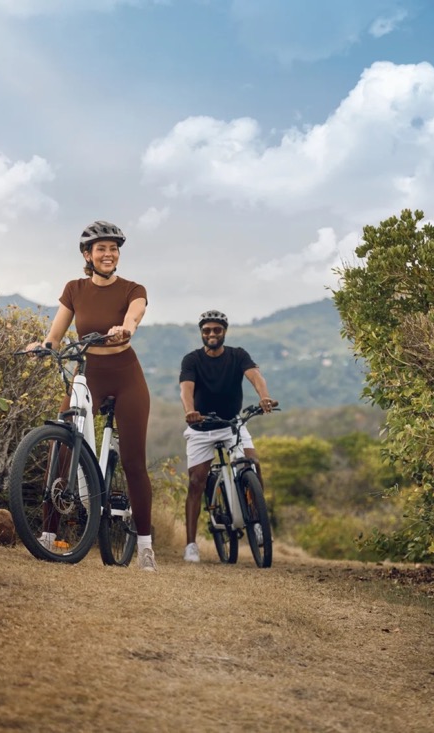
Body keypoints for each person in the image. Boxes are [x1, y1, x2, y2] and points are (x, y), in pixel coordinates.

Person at [27, 220, 157, 571]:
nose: (108, 254)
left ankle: (145, 546)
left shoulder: (133, 288)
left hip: (126, 374)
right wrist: (43, 346)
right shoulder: (74, 289)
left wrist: (125, 329)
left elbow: (135, 314)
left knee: (133, 461)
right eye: (101, 249)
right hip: (88, 373)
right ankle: (49, 534)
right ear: (88, 254)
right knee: (61, 446)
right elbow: (56, 335)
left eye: (113, 249)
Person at [179, 309, 276, 563]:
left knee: (252, 464)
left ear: (224, 332)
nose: (212, 334)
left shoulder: (237, 355)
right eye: (207, 330)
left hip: (232, 424)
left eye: (217, 330)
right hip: (201, 428)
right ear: (201, 333)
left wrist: (264, 397)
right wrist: (190, 411)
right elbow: (186, 389)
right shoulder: (192, 360)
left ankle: (257, 521)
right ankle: (191, 545)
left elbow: (255, 376)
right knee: (196, 482)